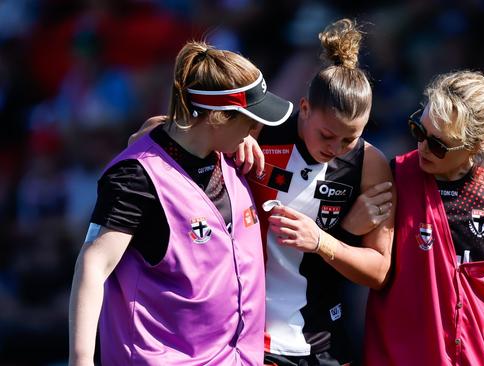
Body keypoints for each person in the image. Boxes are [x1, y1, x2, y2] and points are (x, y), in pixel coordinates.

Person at [68, 40, 293, 366]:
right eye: (250, 119)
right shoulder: (136, 176)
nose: (257, 129)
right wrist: (81, 360)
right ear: (217, 118)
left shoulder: (228, 154)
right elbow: (92, 265)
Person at [363, 54, 484, 365]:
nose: (423, 148)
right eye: (418, 131)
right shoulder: (397, 177)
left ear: (477, 145)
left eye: (439, 144)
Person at [248, 19, 395, 366]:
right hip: (248, 334)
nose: (336, 148)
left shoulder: (369, 163)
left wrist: (322, 240)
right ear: (304, 108)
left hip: (323, 340)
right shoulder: (260, 128)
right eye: (327, 135)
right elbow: (178, 132)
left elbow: (378, 271)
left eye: (350, 138)